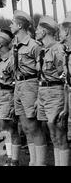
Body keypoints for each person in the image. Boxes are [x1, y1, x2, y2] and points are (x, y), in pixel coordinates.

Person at [10, 10, 45, 166]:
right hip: (18, 85)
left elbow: (43, 71)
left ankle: (40, 162)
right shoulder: (15, 45)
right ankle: (33, 161)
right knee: (25, 126)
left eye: (12, 23)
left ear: (19, 25)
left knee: (34, 126)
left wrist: (39, 93)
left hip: (30, 85)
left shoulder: (34, 45)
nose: (10, 26)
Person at [35, 16, 69, 166]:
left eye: (37, 30)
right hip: (44, 92)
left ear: (44, 31)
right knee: (52, 134)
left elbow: (65, 77)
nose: (35, 32)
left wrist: (66, 104)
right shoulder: (43, 50)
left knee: (59, 133)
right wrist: (38, 97)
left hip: (55, 93)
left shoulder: (57, 50)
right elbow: (40, 76)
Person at [0, 30, 20, 166]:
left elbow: (17, 80)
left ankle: (14, 159)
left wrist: (15, 101)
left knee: (10, 127)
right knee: (3, 127)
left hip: (8, 94)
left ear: (1, 44)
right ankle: (8, 156)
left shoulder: (11, 60)